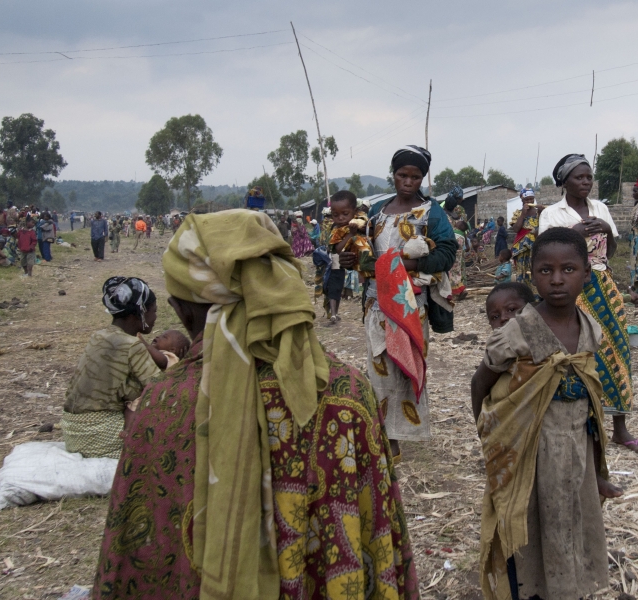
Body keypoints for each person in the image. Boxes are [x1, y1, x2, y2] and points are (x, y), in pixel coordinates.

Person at [91, 210, 419, 599]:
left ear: (182, 309)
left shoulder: (163, 405)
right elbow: (379, 534)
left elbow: (144, 555)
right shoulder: (348, 393)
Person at [471, 227, 620, 600]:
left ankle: (566, 588)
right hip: (529, 451)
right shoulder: (518, 332)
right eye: (544, 270)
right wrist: (490, 441)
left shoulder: (590, 330)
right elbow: (480, 383)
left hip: (575, 448)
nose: (556, 280)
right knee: (529, 524)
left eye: (568, 270)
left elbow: (591, 404)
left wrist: (599, 470)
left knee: (570, 521)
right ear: (531, 273)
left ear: (587, 272)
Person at [340, 145, 456, 461]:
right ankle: (384, 437)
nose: (408, 181)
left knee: (407, 365)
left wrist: (411, 267)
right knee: (378, 366)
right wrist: (348, 258)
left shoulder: (432, 213)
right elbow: (360, 249)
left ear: (423, 178)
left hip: (411, 304)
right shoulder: (376, 211)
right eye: (403, 175)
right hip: (377, 304)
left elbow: (447, 251)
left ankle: (401, 432)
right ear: (393, 174)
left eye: (415, 176)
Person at [539, 153, 638, 453]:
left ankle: (620, 428)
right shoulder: (552, 214)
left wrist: (606, 230)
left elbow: (610, 251)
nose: (585, 182)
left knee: (616, 350)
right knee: (578, 353)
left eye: (588, 178)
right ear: (564, 182)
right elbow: (545, 253)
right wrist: (572, 235)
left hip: (603, 286)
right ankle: (580, 427)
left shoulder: (600, 208)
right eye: (579, 177)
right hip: (572, 290)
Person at [61, 277, 161, 458]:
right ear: (137, 315)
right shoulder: (132, 345)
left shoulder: (98, 336)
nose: (155, 318)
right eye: (153, 311)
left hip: (71, 429)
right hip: (98, 433)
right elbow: (158, 389)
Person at [326, 191, 372, 323]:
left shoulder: (362, 220)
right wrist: (350, 234)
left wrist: (361, 228)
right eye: (335, 215)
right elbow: (339, 249)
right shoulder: (337, 231)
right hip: (356, 262)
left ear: (355, 211)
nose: (340, 218)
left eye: (345, 214)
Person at [509, 189, 543, 290]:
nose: (529, 202)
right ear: (522, 200)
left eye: (531, 199)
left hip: (536, 246)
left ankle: (536, 294)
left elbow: (543, 228)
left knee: (535, 268)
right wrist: (523, 214)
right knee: (522, 270)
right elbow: (516, 229)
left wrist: (541, 213)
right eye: (526, 200)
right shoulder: (518, 213)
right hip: (521, 247)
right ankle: (522, 292)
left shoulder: (539, 213)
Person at [449, 219, 469, 298]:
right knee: (457, 274)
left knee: (450, 274)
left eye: (457, 223)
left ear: (459, 226)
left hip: (451, 256)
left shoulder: (453, 233)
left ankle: (451, 293)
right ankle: (461, 291)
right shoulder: (463, 236)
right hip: (458, 258)